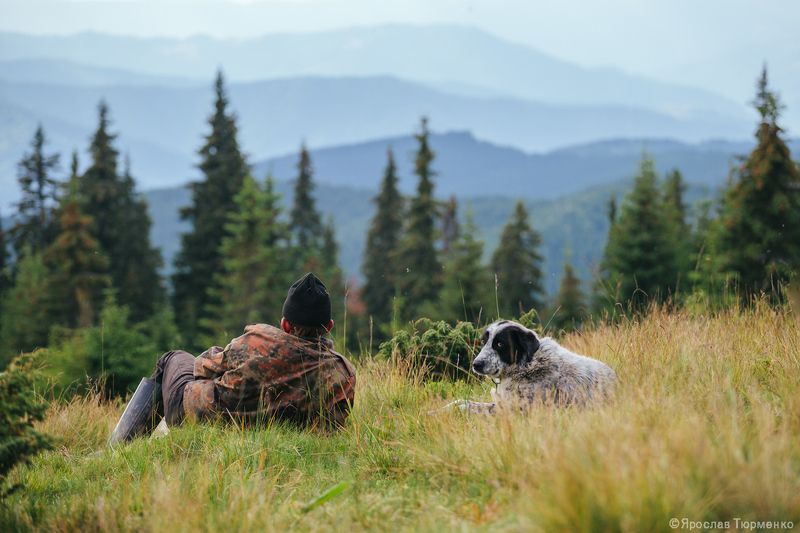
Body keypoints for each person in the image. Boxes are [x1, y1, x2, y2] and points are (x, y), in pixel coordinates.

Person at [108, 273, 356, 444]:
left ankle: (119, 449)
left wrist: (220, 354)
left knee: (173, 358)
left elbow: (202, 368)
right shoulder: (342, 373)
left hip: (197, 418)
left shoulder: (258, 341)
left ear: (285, 323)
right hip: (265, 438)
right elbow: (332, 427)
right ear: (330, 326)